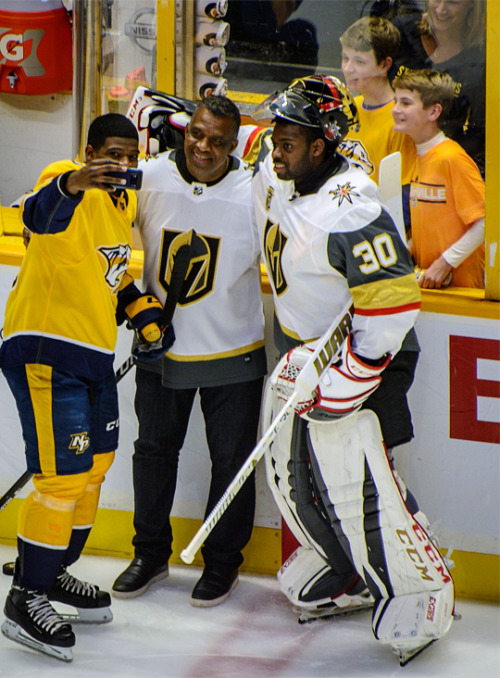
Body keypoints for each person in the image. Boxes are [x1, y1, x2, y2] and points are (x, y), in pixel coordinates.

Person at [248, 75, 454, 663]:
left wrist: (350, 377)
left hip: (364, 357)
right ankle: (342, 567)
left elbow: (395, 301)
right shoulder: (281, 165)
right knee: (294, 472)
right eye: (275, 136)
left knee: (361, 481)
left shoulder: (352, 206)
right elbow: (241, 145)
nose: (273, 147)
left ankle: (421, 589)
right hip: (302, 352)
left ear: (321, 145)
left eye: (288, 140)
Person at [0, 114, 168, 662]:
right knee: (62, 477)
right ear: (90, 151)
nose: (120, 165)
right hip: (46, 349)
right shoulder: (66, 177)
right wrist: (75, 181)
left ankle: (51, 573)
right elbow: (37, 214)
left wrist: (146, 317)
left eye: (129, 156)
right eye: (111, 155)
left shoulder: (121, 212)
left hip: (92, 355)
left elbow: (115, 280)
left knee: (96, 465)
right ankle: (25, 595)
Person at [111, 96, 266, 607]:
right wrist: (131, 299)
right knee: (152, 453)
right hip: (163, 349)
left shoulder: (256, 190)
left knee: (232, 462)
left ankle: (223, 564)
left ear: (232, 144)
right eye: (197, 134)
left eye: (218, 141)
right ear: (186, 128)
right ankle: (150, 555)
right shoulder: (150, 177)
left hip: (235, 351)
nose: (203, 146)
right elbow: (103, 239)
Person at [392, 68, 485, 288]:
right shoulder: (418, 157)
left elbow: (487, 221)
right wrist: (409, 247)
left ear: (434, 112)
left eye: (405, 103)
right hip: (433, 288)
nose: (395, 110)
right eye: (395, 101)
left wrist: (445, 263)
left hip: (463, 292)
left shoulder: (451, 158)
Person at [390, 0, 485, 175]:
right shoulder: (402, 33)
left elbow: (479, 136)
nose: (441, 9)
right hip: (393, 158)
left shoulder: (482, 57)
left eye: (452, 2)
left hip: (444, 170)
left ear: (472, 5)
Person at [338, 15, 417, 189]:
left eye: (359, 61)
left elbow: (398, 197)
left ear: (384, 65)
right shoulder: (345, 108)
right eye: (345, 58)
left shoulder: (401, 120)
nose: (348, 69)